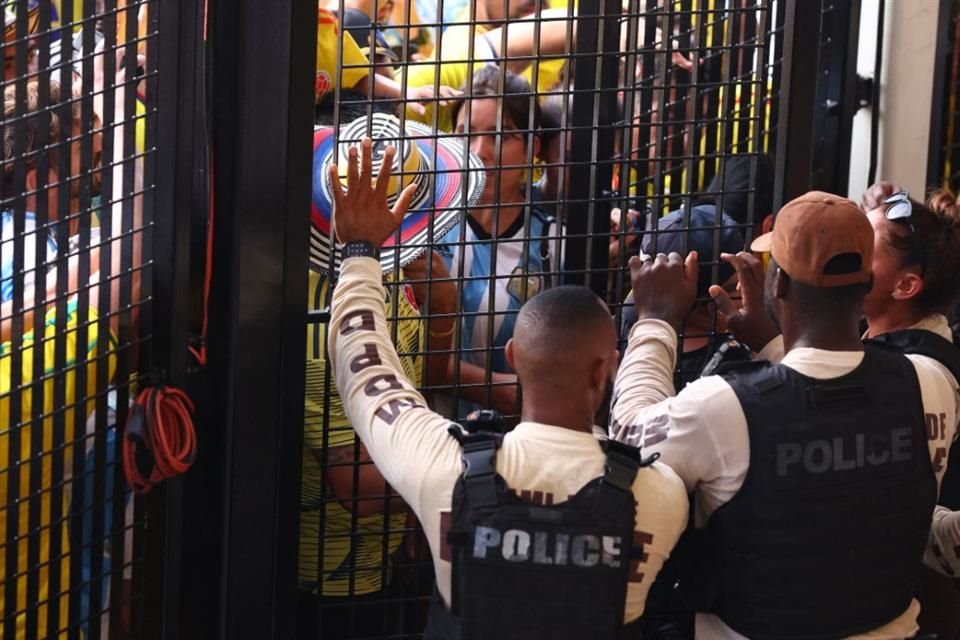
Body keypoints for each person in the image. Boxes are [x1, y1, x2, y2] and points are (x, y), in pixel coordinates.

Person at [327, 135, 688, 639]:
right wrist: (656, 322)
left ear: (514, 357)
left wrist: (360, 252)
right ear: (603, 370)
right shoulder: (658, 496)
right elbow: (641, 409)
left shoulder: (442, 468)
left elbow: (365, 373)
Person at [611, 191, 958, 639]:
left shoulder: (723, 408)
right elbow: (839, 422)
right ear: (864, 283)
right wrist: (775, 345)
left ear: (780, 286)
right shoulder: (930, 382)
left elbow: (628, 436)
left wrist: (655, 320)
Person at [296, 111, 480, 639]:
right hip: (337, 586)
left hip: (390, 557)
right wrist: (485, 468)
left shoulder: (388, 277)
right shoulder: (321, 325)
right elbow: (358, 488)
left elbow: (412, 392)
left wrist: (443, 312)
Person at [857, 188, 960, 638]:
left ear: (905, 286)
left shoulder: (912, 375)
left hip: (918, 602)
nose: (845, 249)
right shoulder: (902, 348)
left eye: (862, 245)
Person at [434, 66, 560, 419]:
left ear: (532, 148)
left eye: (500, 136)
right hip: (429, 438)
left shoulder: (553, 241)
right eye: (465, 134)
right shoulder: (424, 229)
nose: (479, 151)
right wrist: (494, 388)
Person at [619, 205, 746, 388]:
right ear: (716, 303)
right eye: (738, 283)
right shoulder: (733, 364)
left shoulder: (626, 331)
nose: (743, 287)